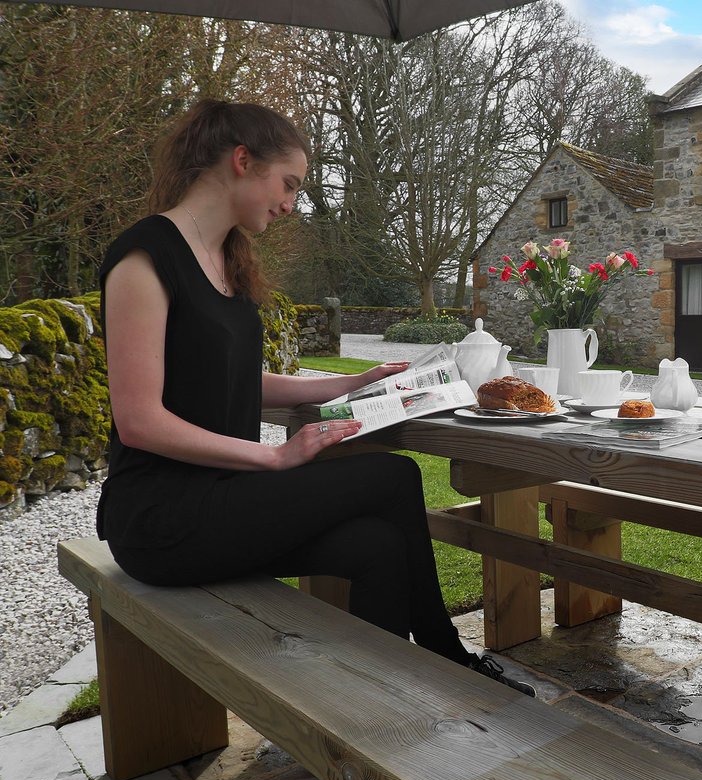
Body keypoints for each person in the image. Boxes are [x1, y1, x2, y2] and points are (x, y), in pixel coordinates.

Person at [96, 99, 532, 696]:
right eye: (289, 184)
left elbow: (233, 384)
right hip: (161, 518)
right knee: (392, 479)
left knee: (378, 546)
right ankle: (445, 653)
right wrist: (274, 457)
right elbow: (140, 421)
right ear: (243, 161)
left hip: (226, 502)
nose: (290, 204)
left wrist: (348, 384)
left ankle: (380, 708)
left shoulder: (225, 261)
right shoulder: (145, 257)